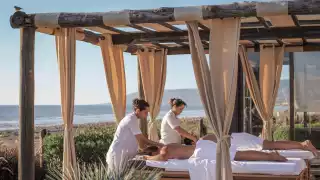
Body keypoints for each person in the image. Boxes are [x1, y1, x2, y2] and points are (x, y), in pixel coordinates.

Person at [106, 98, 164, 173]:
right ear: (138, 110)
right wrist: (159, 144)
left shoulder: (134, 119)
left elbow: (137, 141)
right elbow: (142, 139)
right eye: (145, 112)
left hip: (122, 156)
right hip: (117, 155)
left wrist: (144, 150)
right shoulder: (131, 119)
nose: (147, 115)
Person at [143, 134, 288, 162]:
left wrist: (149, 158)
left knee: (237, 155)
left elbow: (162, 157)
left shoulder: (164, 149)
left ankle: (271, 157)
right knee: (236, 153)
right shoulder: (169, 145)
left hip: (201, 150)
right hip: (202, 143)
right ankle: (270, 156)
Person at [230, 132, 319, 156]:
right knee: (271, 144)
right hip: (236, 138)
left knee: (271, 144)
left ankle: (303, 145)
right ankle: (302, 144)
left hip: (236, 140)